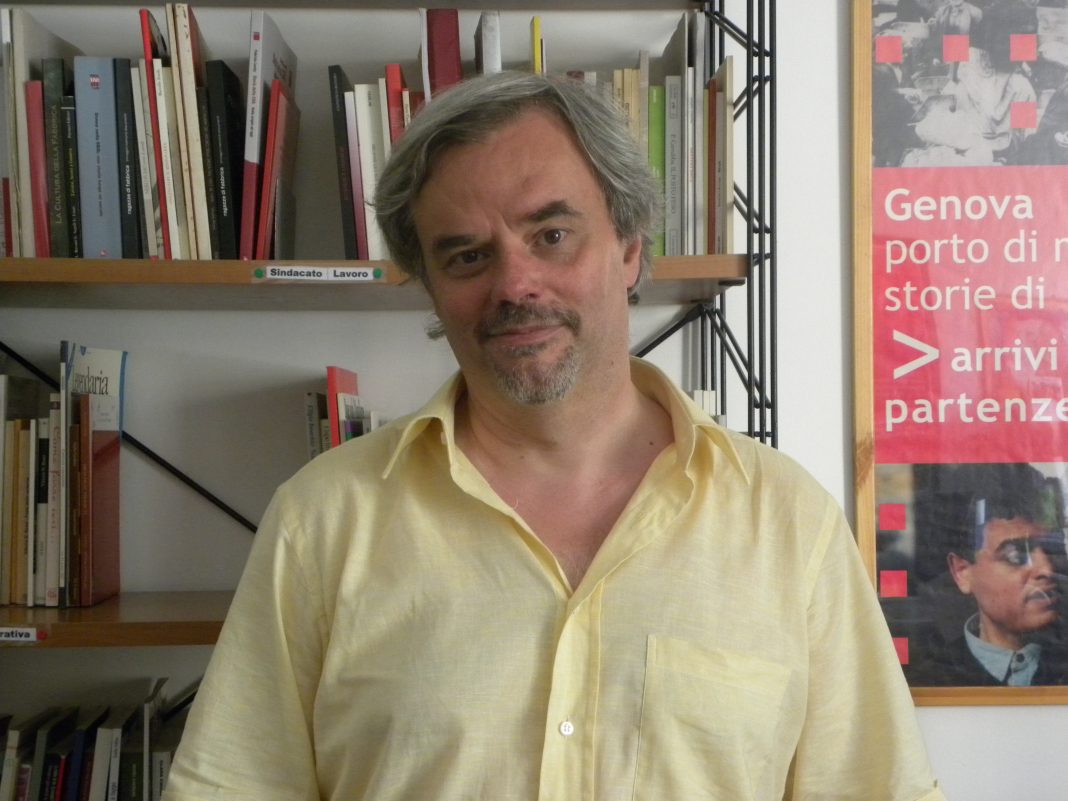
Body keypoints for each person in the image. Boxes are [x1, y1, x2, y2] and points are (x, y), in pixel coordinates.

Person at [161, 72, 945, 801]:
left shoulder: (788, 521)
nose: (514, 285)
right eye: (467, 255)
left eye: (553, 235)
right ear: (431, 288)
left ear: (630, 248)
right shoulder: (322, 521)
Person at [908, 462, 1068, 686]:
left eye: (1053, 547)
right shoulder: (930, 680)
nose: (1047, 569)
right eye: (1014, 555)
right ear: (963, 572)